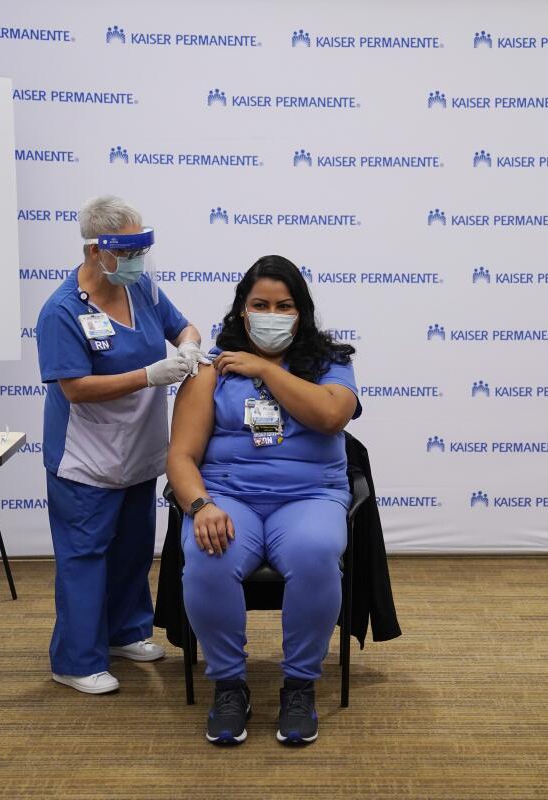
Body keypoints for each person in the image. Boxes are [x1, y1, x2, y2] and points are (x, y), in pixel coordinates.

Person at [166, 255, 361, 747]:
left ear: (302, 313)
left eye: (284, 305)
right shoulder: (210, 370)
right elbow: (181, 457)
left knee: (316, 552)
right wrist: (200, 506)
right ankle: (230, 686)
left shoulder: (330, 362)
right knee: (208, 555)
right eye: (260, 304)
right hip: (229, 496)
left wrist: (266, 371)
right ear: (241, 310)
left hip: (310, 494)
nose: (271, 314)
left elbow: (332, 416)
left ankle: (299, 687)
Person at [36, 196, 211, 694]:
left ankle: (126, 631)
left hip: (139, 452)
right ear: (96, 251)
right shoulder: (62, 311)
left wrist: (189, 347)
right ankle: (74, 659)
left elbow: (184, 326)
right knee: (85, 557)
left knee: (133, 551)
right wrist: (150, 375)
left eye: (142, 247)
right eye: (128, 250)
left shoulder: (141, 290)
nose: (137, 259)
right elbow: (74, 387)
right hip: (86, 459)